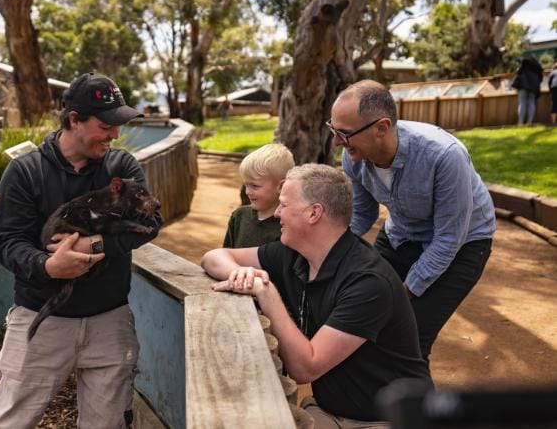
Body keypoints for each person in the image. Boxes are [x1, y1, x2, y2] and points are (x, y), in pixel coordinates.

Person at [0, 72, 163, 428]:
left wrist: (92, 244)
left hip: (109, 320)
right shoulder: (26, 172)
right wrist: (49, 265)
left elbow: (151, 224)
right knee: (10, 422)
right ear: (73, 120)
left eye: (117, 124)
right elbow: (8, 242)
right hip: (42, 318)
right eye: (105, 124)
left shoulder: (121, 167)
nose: (114, 134)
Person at [202, 164, 431, 428]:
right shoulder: (294, 253)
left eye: (284, 205)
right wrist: (242, 274)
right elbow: (214, 257)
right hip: (329, 410)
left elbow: (305, 368)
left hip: (386, 419)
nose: (276, 213)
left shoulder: (368, 282)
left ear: (314, 213)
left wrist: (268, 293)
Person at [329, 80, 495, 366]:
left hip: (464, 243)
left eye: (344, 134)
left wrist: (401, 290)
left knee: (411, 339)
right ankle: (366, 403)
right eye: (333, 131)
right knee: (362, 314)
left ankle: (414, 409)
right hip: (402, 233)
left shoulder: (443, 155)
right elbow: (362, 216)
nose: (336, 142)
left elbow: (448, 239)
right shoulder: (353, 156)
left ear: (382, 128)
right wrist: (330, 249)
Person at [223, 143, 295, 248]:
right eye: (246, 185)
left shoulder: (287, 227)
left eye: (255, 186)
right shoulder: (239, 216)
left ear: (281, 186)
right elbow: (225, 253)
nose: (247, 192)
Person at [512, 53, 544, 125]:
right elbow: (541, 78)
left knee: (522, 103)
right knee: (531, 103)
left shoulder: (524, 64)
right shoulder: (538, 67)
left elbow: (518, 72)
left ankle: (520, 123)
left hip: (523, 85)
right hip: (533, 87)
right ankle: (529, 122)